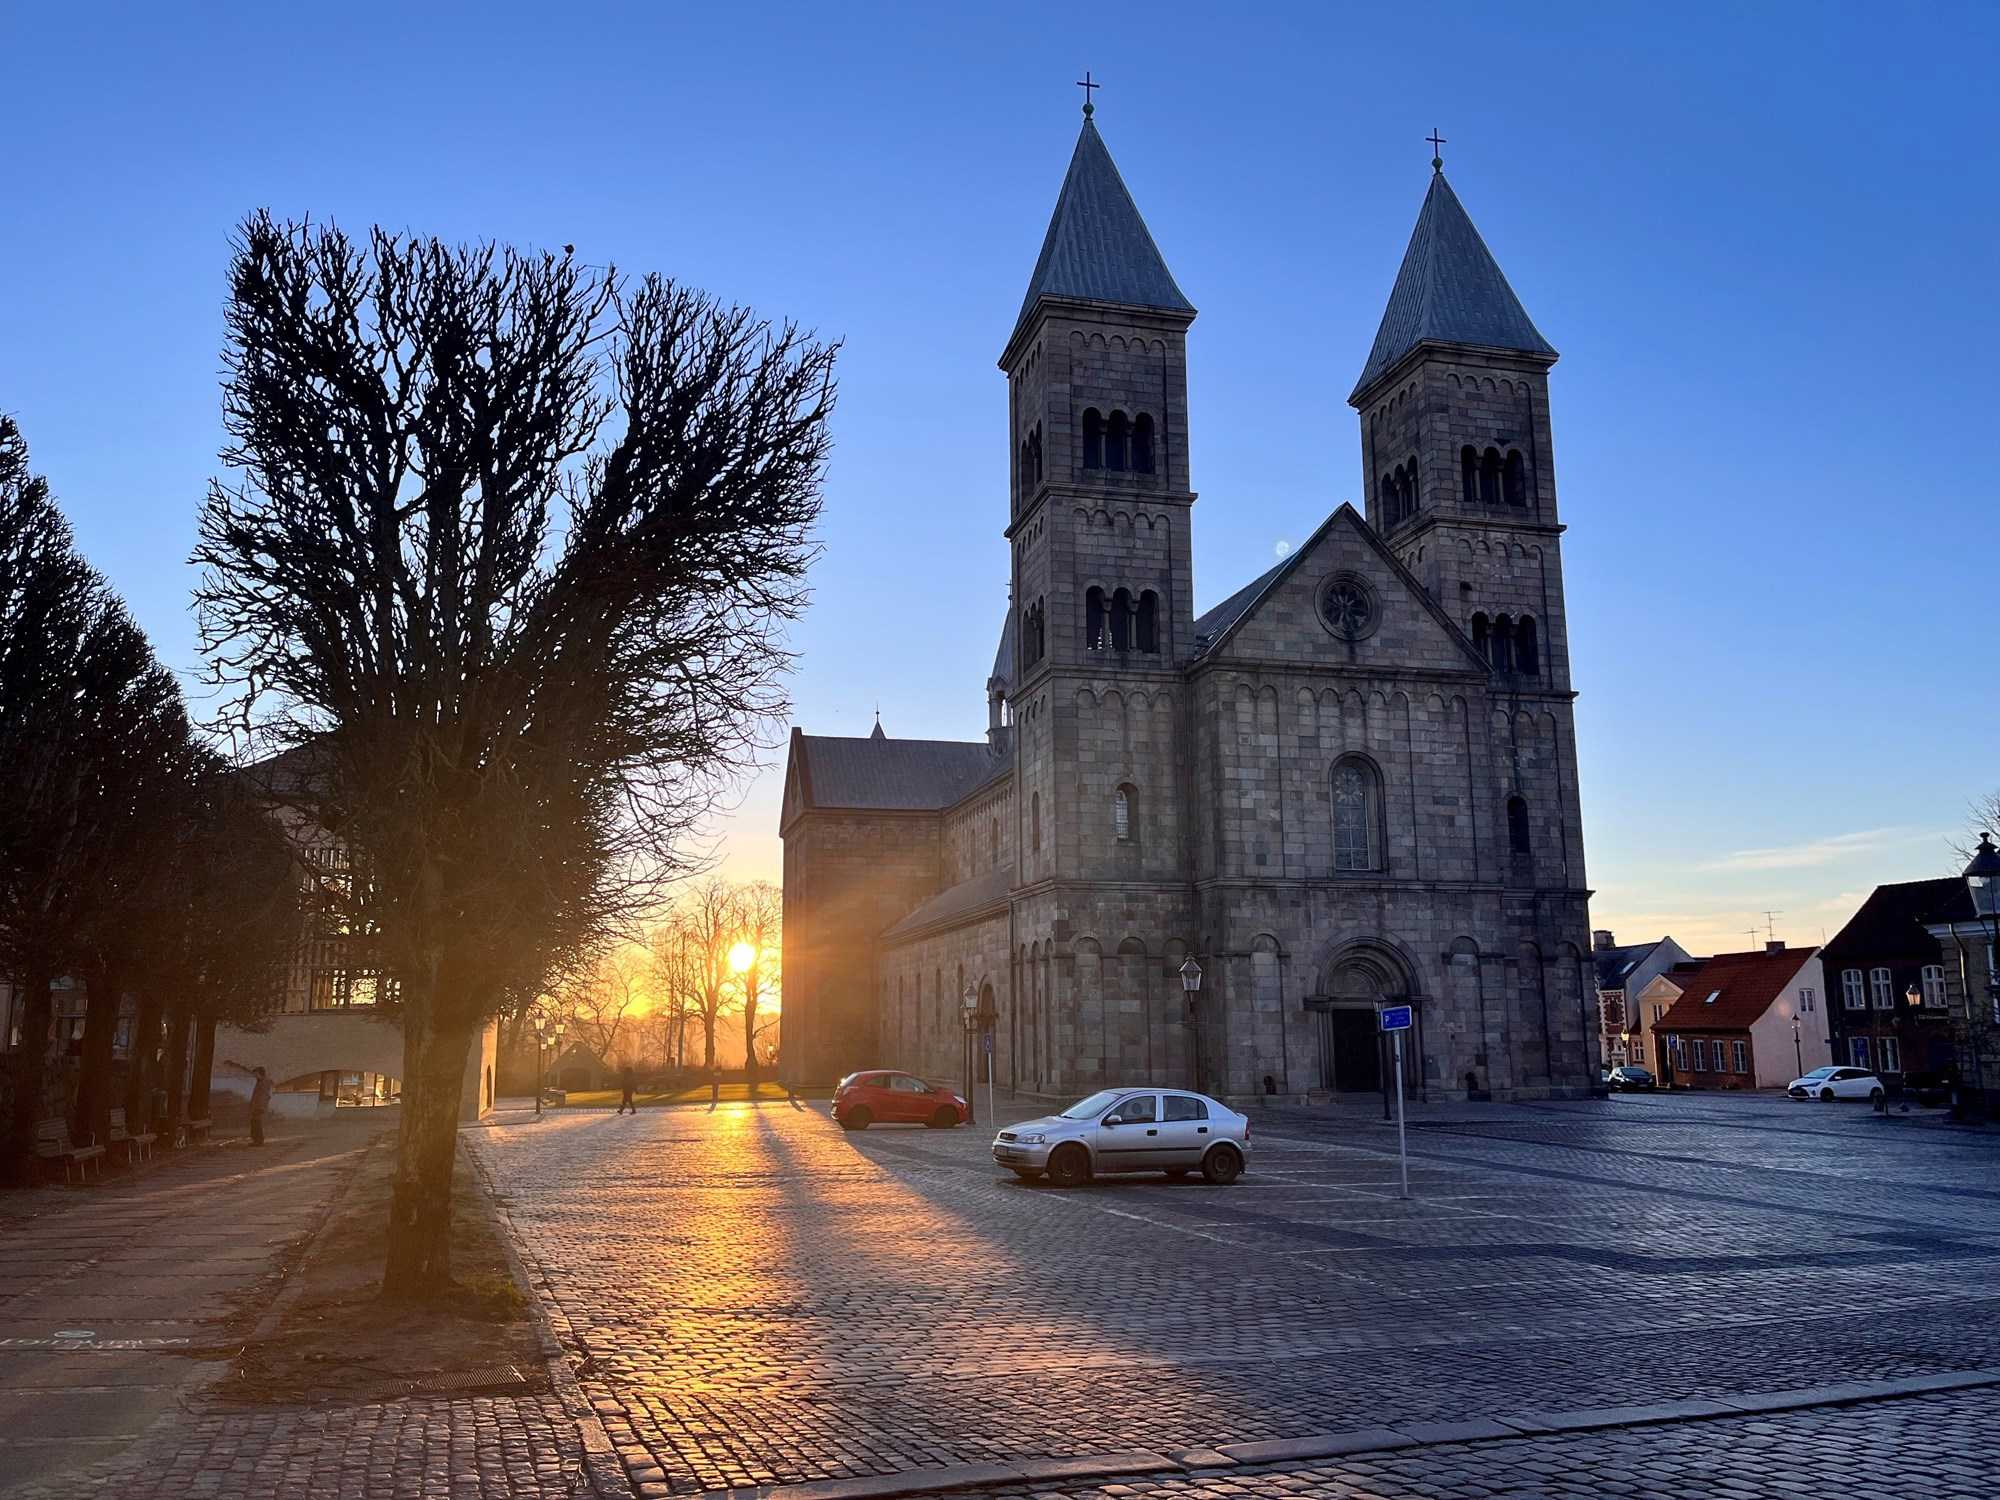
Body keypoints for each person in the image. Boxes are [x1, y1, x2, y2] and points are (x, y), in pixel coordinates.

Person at [248, 1066, 272, 1146]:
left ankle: (258, 1141)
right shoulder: (260, 1081)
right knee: (255, 1122)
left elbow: (264, 1096)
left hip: (259, 1106)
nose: (254, 1075)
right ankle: (257, 1140)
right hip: (257, 1106)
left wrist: (260, 1107)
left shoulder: (264, 1082)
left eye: (256, 1073)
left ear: (260, 1073)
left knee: (257, 1123)